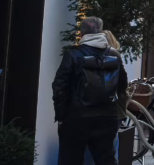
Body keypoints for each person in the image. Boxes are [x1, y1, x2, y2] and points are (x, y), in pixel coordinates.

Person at [52, 16, 128, 165]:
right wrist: (117, 112)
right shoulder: (114, 55)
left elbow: (59, 86)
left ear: (82, 33)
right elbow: (122, 86)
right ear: (101, 31)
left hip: (77, 117)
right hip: (107, 117)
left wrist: (61, 115)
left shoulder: (73, 54)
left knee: (71, 160)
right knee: (106, 160)